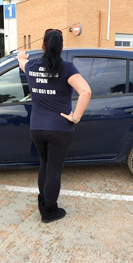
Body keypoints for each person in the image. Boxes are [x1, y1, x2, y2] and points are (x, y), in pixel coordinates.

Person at [18, 29, 91, 223]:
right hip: (60, 128)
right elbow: (85, 91)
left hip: (37, 128)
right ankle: (49, 211)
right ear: (61, 48)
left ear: (43, 46)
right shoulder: (67, 68)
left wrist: (20, 56)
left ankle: (44, 202)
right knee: (54, 170)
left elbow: (22, 62)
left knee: (44, 165)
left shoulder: (32, 66)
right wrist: (75, 117)